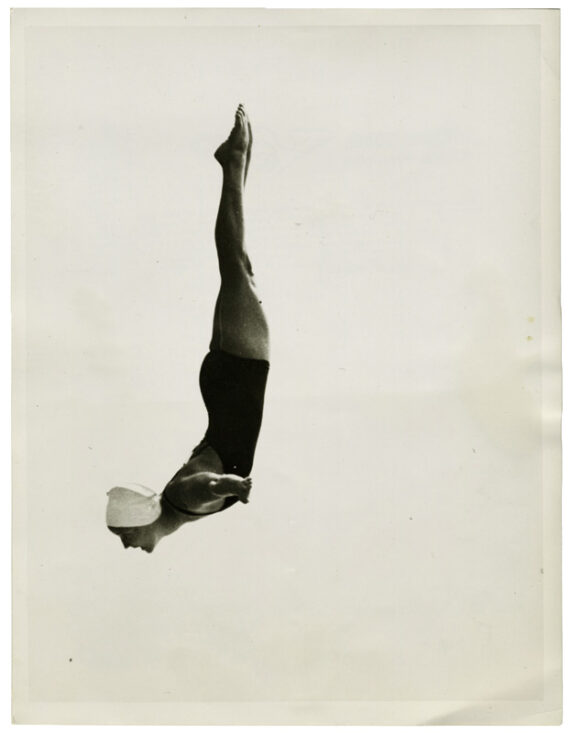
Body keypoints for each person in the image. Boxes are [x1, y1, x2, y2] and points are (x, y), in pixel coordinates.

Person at [106, 105, 270, 553]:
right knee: (238, 267)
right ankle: (237, 159)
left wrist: (229, 485)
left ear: (142, 520)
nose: (126, 545)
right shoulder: (176, 506)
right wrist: (225, 484)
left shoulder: (179, 500)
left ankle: (233, 160)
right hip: (225, 383)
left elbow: (205, 484)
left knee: (237, 267)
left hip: (238, 376)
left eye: (123, 534)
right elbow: (205, 482)